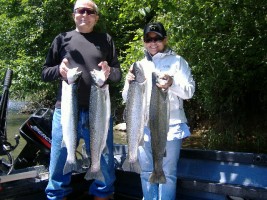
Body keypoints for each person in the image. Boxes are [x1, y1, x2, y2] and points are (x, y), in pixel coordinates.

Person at [41, 0, 122, 200]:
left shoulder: (106, 39)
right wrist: (59, 71)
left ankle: (102, 195)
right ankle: (56, 195)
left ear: (96, 17)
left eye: (89, 11)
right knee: (59, 158)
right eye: (79, 11)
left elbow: (118, 75)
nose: (84, 14)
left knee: (104, 156)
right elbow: (44, 72)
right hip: (66, 110)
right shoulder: (62, 39)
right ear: (73, 15)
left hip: (99, 111)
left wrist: (109, 72)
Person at [122, 22, 195, 200]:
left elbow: (189, 92)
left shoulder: (179, 61)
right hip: (143, 127)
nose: (153, 43)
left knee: (167, 173)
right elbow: (126, 98)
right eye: (149, 39)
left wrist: (172, 83)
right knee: (146, 171)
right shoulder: (137, 65)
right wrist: (129, 82)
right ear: (144, 41)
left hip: (171, 127)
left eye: (157, 39)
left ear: (165, 39)